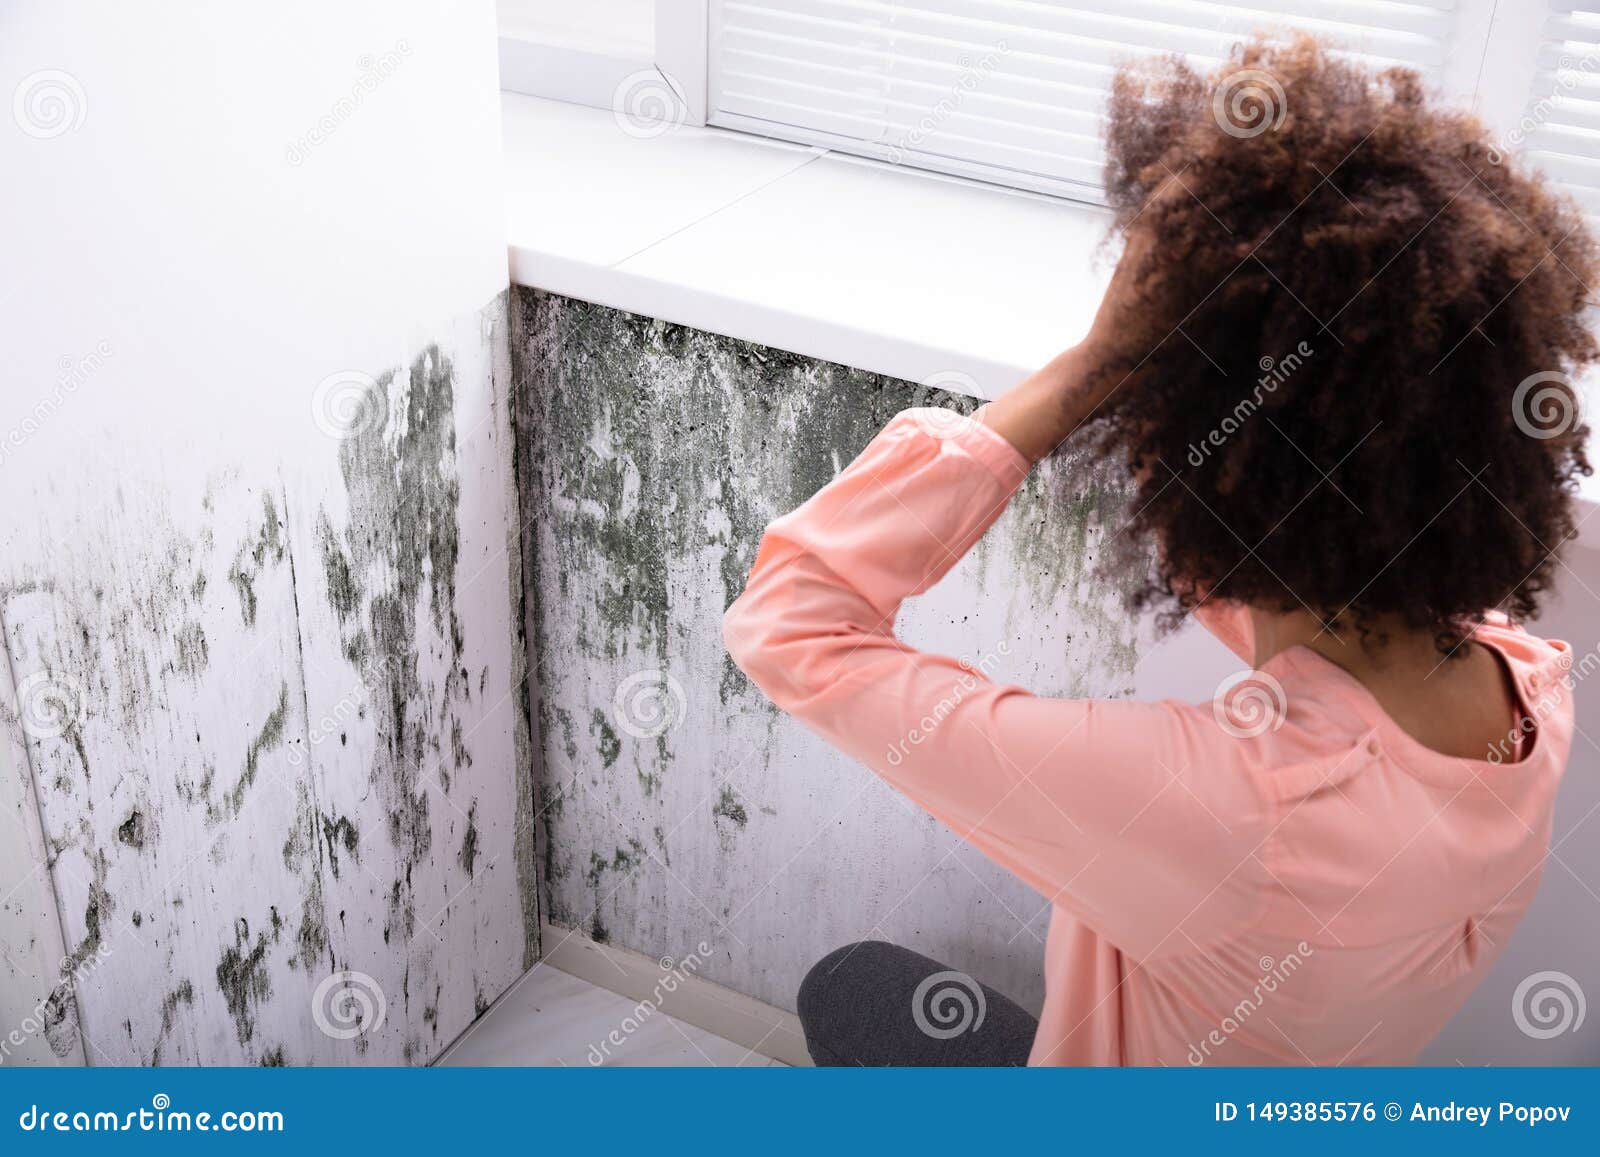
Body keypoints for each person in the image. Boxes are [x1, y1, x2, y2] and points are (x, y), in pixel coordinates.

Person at [722, 35, 1594, 1066]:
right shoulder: (1529, 697)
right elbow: (1270, 566)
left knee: (851, 984)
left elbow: (789, 622)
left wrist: (1096, 368)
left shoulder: (1235, 809)